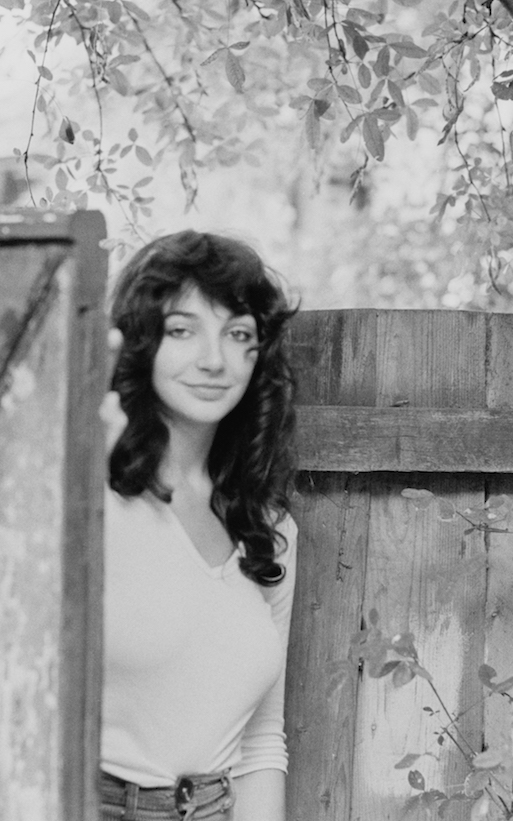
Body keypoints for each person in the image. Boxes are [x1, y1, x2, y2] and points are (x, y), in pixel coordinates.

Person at [98, 230, 299, 821]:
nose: (214, 359)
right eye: (183, 330)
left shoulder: (271, 528)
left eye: (238, 334)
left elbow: (262, 743)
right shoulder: (92, 497)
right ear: (141, 344)